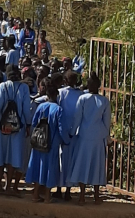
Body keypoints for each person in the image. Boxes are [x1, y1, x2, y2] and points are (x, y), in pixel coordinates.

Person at [0, 65, 31, 195]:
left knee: (0, 154)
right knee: (13, 156)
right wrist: (28, 124)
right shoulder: (24, 88)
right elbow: (26, 109)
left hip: (2, 126)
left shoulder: (2, 86)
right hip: (18, 127)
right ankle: (8, 186)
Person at [68, 72, 111, 205]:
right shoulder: (104, 101)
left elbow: (77, 118)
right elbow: (107, 122)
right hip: (98, 137)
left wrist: (72, 132)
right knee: (96, 165)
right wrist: (105, 136)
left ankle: (82, 196)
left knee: (83, 164)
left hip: (84, 136)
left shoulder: (83, 99)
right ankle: (96, 196)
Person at [26, 82, 68, 204]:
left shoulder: (40, 107)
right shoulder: (59, 110)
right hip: (52, 144)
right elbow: (61, 129)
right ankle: (47, 196)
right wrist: (66, 140)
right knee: (49, 168)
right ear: (56, 95)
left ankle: (35, 194)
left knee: (38, 166)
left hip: (39, 141)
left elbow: (34, 123)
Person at [55, 70, 82, 200]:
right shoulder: (81, 95)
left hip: (63, 132)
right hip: (75, 132)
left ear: (64, 81)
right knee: (72, 160)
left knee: (61, 160)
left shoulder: (61, 93)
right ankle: (68, 191)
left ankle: (60, 189)